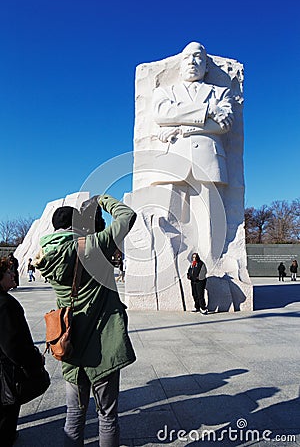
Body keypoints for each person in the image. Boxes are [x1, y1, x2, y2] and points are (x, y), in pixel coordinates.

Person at [35, 194, 136, 446]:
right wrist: (103, 200)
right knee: (107, 416)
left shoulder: (46, 254)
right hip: (103, 345)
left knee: (74, 414)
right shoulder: (90, 245)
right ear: (77, 224)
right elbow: (127, 216)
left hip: (69, 344)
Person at [153, 41, 234, 185]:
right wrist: (209, 110)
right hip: (172, 159)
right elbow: (162, 114)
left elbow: (223, 125)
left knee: (210, 207)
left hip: (209, 161)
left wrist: (180, 129)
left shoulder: (222, 92)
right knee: (169, 206)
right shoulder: (164, 92)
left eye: (198, 57)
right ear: (180, 66)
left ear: (207, 66)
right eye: (186, 58)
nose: (192, 62)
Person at [0, 258, 45, 446]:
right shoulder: (5, 305)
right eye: (8, 272)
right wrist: (35, 359)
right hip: (6, 373)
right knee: (6, 415)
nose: (13, 274)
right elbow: (13, 346)